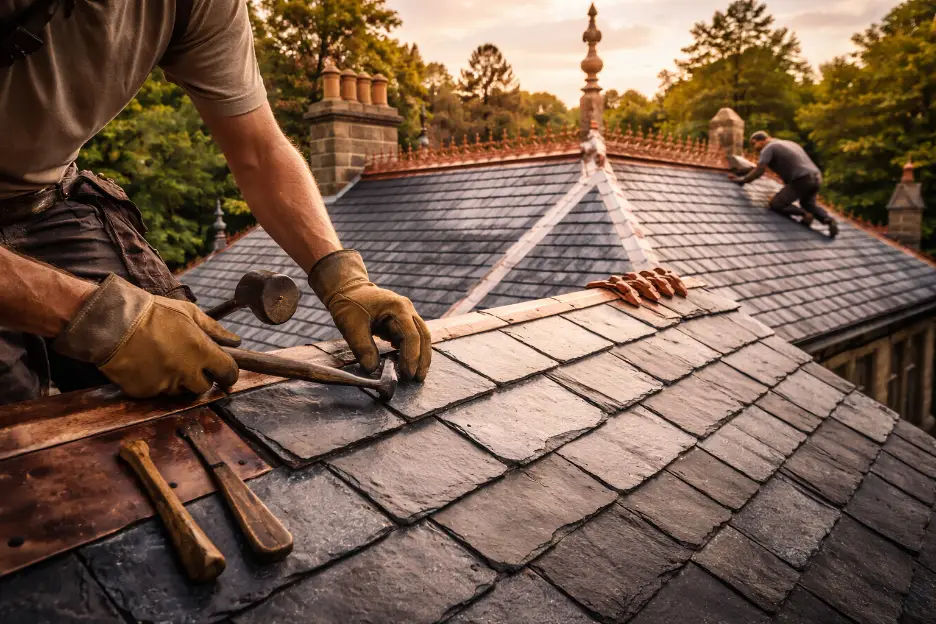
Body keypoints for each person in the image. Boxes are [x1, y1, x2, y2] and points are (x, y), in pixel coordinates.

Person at [0, 0, 431, 406]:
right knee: (15, 421)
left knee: (183, 374)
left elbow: (259, 150)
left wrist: (344, 279)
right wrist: (100, 318)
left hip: (46, 198)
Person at [729, 131, 838, 239]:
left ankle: (806, 214)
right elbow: (756, 168)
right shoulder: (788, 143)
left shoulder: (768, 148)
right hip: (816, 177)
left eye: (754, 144)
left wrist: (742, 181)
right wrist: (742, 173)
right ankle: (828, 220)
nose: (754, 148)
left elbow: (760, 170)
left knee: (776, 204)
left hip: (801, 179)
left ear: (760, 141)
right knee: (808, 203)